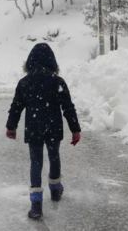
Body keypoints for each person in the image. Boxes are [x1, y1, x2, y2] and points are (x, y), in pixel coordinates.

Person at [5, 43, 82, 220]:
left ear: (30, 62)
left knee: (36, 161)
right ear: (52, 61)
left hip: (34, 128)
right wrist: (75, 129)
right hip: (53, 126)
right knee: (54, 156)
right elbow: (68, 107)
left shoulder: (24, 83)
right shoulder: (58, 82)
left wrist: (11, 126)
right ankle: (55, 190)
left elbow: (16, 107)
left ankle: (36, 205)